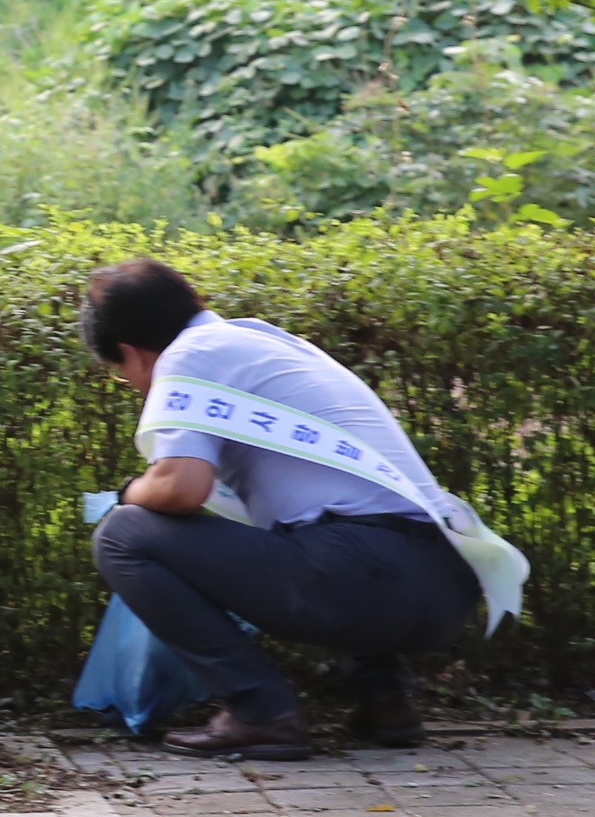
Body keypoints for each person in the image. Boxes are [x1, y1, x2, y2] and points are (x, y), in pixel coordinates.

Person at [82, 259, 490, 760]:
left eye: (121, 374)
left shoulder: (187, 357)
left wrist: (129, 492)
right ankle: (385, 700)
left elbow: (181, 487)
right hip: (447, 587)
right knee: (325, 520)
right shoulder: (264, 342)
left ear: (131, 353)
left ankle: (261, 711)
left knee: (123, 534)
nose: (132, 384)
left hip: (364, 577)